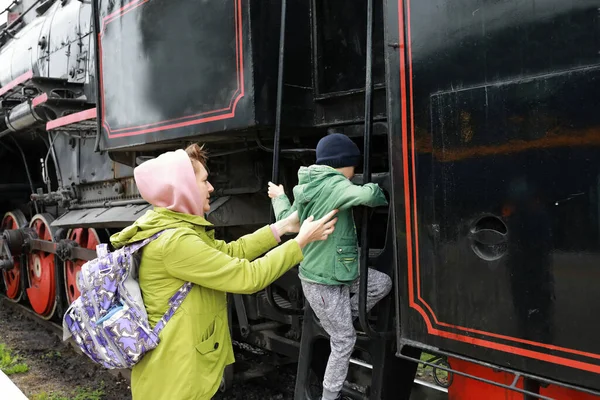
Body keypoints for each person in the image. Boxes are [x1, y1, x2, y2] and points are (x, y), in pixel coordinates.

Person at [109, 144, 338, 400]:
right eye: (204, 181)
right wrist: (301, 242)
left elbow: (231, 252)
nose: (211, 188)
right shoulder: (175, 242)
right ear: (181, 187)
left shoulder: (178, 229)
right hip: (177, 380)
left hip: (184, 370)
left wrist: (283, 226)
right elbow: (247, 277)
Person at [268, 133, 393, 400]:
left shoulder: (310, 185)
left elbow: (288, 221)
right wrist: (376, 189)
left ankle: (338, 322)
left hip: (340, 271)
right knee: (344, 340)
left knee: (382, 283)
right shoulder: (336, 184)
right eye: (354, 166)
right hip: (321, 283)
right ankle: (329, 396)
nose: (354, 172)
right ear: (343, 164)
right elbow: (368, 197)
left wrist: (279, 196)